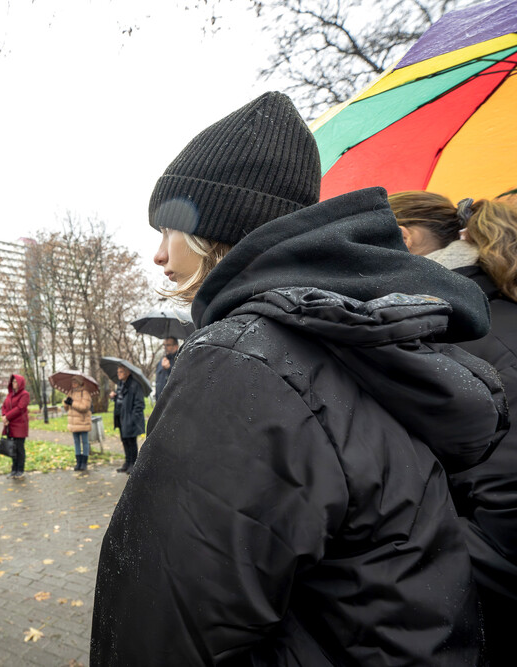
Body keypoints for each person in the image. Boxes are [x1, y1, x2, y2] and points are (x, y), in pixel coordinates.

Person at [91, 92, 507, 665]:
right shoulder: (348, 338)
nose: (159, 254)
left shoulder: (244, 358)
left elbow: (168, 623)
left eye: (168, 229)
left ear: (217, 227)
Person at [391, 191, 517, 665]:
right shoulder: (476, 313)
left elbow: (506, 509)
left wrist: (412, 567)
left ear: (402, 238)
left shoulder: (461, 331)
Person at [115, 366, 145, 474]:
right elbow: (121, 400)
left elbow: (139, 404)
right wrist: (114, 397)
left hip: (130, 418)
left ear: (127, 372)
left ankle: (134, 464)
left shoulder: (135, 385)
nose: (118, 374)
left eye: (121, 372)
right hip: (121, 417)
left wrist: (133, 418)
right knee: (124, 440)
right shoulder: (120, 384)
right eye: (118, 372)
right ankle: (127, 463)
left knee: (131, 442)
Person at [2, 374, 29, 479]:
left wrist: (7, 417)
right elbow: (4, 406)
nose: (14, 383)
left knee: (19, 448)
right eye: (12, 382)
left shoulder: (24, 394)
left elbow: (20, 408)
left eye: (16, 382)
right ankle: (14, 469)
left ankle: (20, 469)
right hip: (10, 425)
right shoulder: (9, 395)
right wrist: (4, 416)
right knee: (12, 448)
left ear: (20, 383)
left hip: (20, 425)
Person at [64, 376, 92, 472]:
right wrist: (66, 403)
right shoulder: (70, 392)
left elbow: (85, 407)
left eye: (75, 382)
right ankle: (78, 462)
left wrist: (72, 403)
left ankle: (84, 463)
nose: (73, 384)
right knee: (76, 442)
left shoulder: (85, 393)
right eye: (72, 382)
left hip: (83, 422)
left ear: (80, 383)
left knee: (84, 442)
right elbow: (66, 408)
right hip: (73, 423)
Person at [153, 337, 179, 401]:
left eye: (168, 345)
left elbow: (179, 380)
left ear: (176, 347)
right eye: (164, 345)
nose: (165, 347)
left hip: (172, 402)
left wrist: (169, 369)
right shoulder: (161, 361)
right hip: (160, 401)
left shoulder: (179, 361)